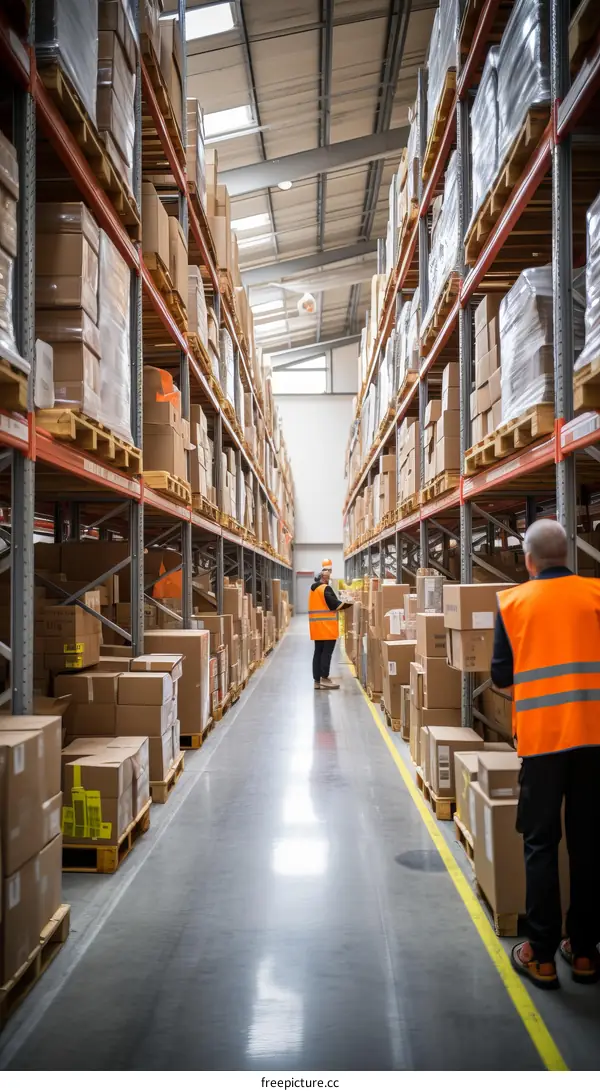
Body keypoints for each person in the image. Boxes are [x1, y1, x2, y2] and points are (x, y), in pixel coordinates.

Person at [491, 519, 600, 990]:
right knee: (589, 842)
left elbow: (499, 676)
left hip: (541, 744)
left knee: (540, 844)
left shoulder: (512, 603)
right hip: (595, 740)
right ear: (568, 555)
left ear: (529, 560)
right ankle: (584, 951)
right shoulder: (596, 595)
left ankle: (539, 953)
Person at [309, 569, 350, 690]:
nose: (328, 579)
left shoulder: (313, 589)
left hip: (317, 627)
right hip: (326, 627)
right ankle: (324, 678)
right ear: (324, 578)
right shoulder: (325, 589)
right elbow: (334, 604)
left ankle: (317, 680)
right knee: (326, 654)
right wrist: (350, 604)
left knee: (318, 653)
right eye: (327, 577)